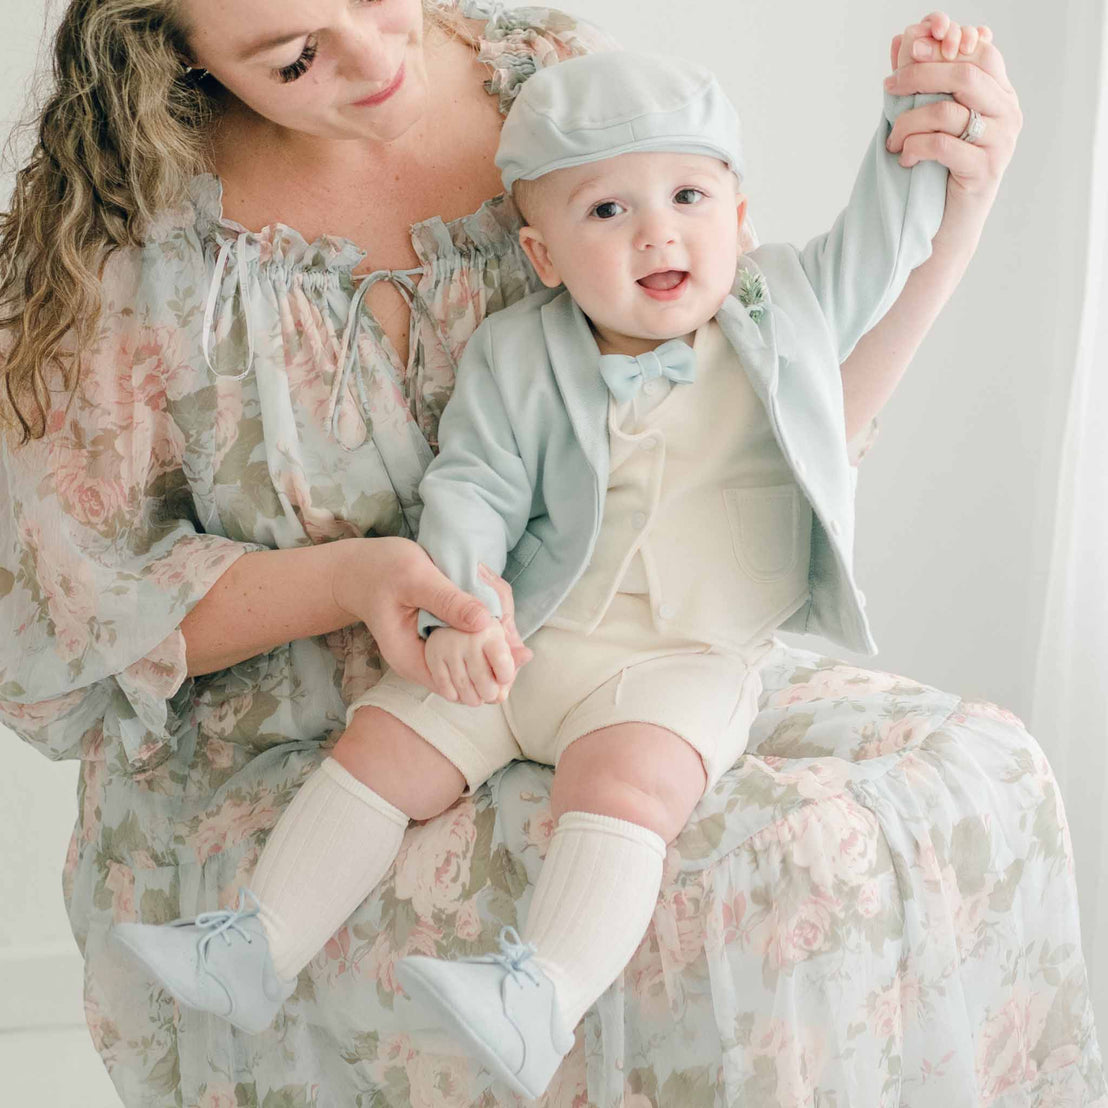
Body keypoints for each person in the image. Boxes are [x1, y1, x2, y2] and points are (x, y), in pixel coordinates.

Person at [0, 0, 1022, 1101]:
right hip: (364, 698)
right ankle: (252, 942)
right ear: (176, 54)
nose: (375, 52)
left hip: (641, 642)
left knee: (959, 784)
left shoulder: (557, 95)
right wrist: (389, 579)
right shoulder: (127, 237)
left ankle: (535, 990)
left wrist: (942, 174)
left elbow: (791, 366)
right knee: (763, 875)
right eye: (297, 57)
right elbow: (78, 605)